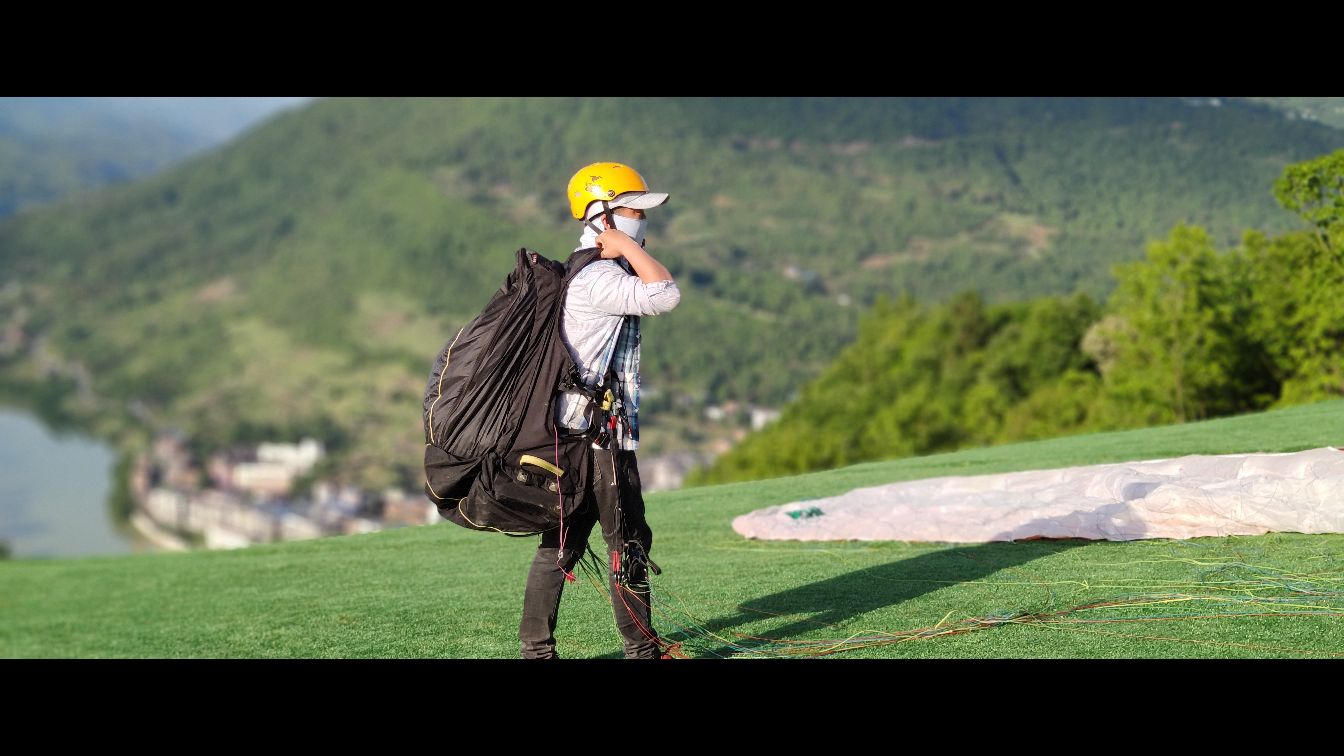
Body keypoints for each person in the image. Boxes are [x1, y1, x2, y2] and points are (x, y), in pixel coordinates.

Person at [518, 162, 681, 659]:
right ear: (604, 215)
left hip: (574, 434)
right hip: (598, 441)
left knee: (559, 546)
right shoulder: (598, 278)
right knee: (626, 543)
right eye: (634, 210)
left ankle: (536, 653)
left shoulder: (585, 270)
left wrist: (625, 248)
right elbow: (666, 294)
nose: (642, 220)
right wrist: (627, 246)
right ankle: (641, 652)